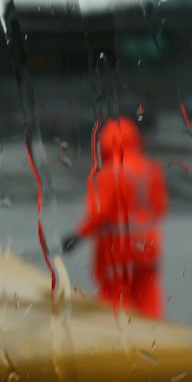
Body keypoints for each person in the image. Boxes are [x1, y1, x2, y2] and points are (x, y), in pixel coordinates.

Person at [62, 116, 168, 318]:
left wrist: (78, 236)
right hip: (149, 246)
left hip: (117, 250)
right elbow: (160, 207)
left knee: (116, 302)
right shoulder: (151, 169)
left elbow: (98, 213)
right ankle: (155, 333)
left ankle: (123, 337)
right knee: (148, 297)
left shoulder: (107, 174)